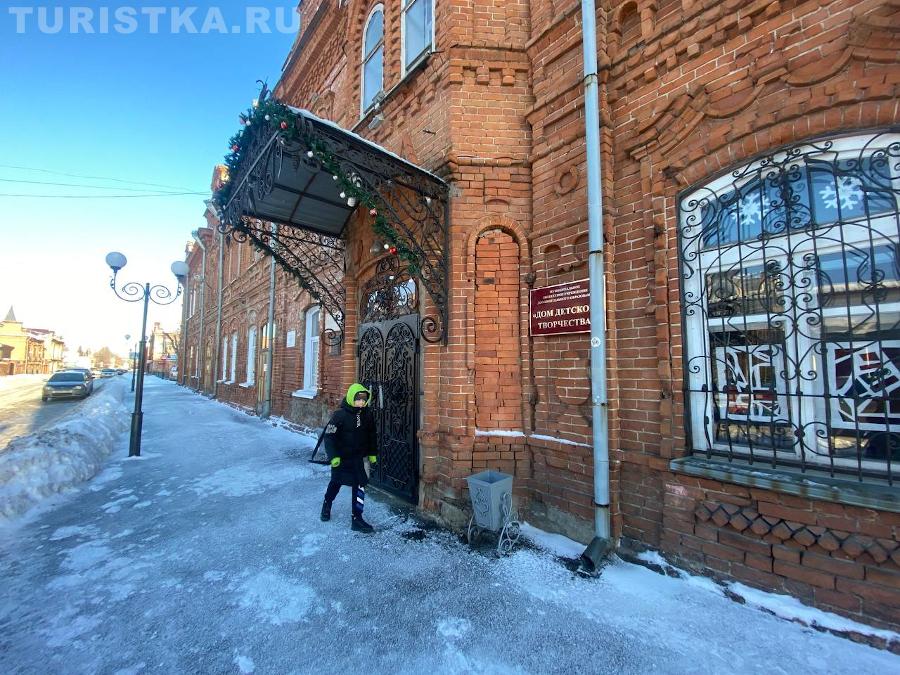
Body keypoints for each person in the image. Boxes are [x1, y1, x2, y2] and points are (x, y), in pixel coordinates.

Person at [320, 383, 379, 532]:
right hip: (342, 458)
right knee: (336, 483)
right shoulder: (340, 415)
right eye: (358, 399)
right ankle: (327, 504)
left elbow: (372, 435)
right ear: (352, 397)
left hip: (359, 459)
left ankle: (357, 518)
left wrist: (372, 453)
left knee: (359, 487)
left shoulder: (367, 414)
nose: (361, 403)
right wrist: (333, 456)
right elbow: (329, 436)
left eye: (364, 400)